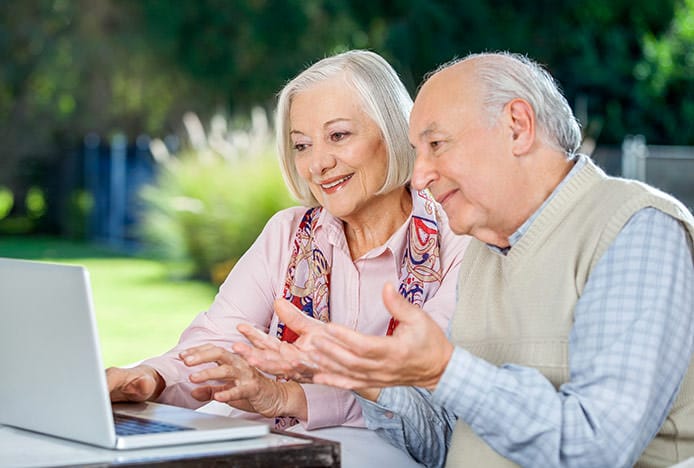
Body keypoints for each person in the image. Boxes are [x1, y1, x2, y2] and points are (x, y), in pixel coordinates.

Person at [234, 52, 694, 467]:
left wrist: (445, 370)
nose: (420, 174)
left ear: (517, 126)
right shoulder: (483, 253)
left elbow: (597, 447)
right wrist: (367, 377)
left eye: (437, 145)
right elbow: (442, 443)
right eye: (417, 151)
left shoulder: (636, 230)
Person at [106, 49, 469, 435]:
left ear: (394, 130)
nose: (317, 163)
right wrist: (151, 377)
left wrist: (289, 397)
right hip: (261, 445)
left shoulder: (457, 239)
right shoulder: (287, 232)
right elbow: (220, 338)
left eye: (338, 135)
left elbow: (425, 394)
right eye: (302, 145)